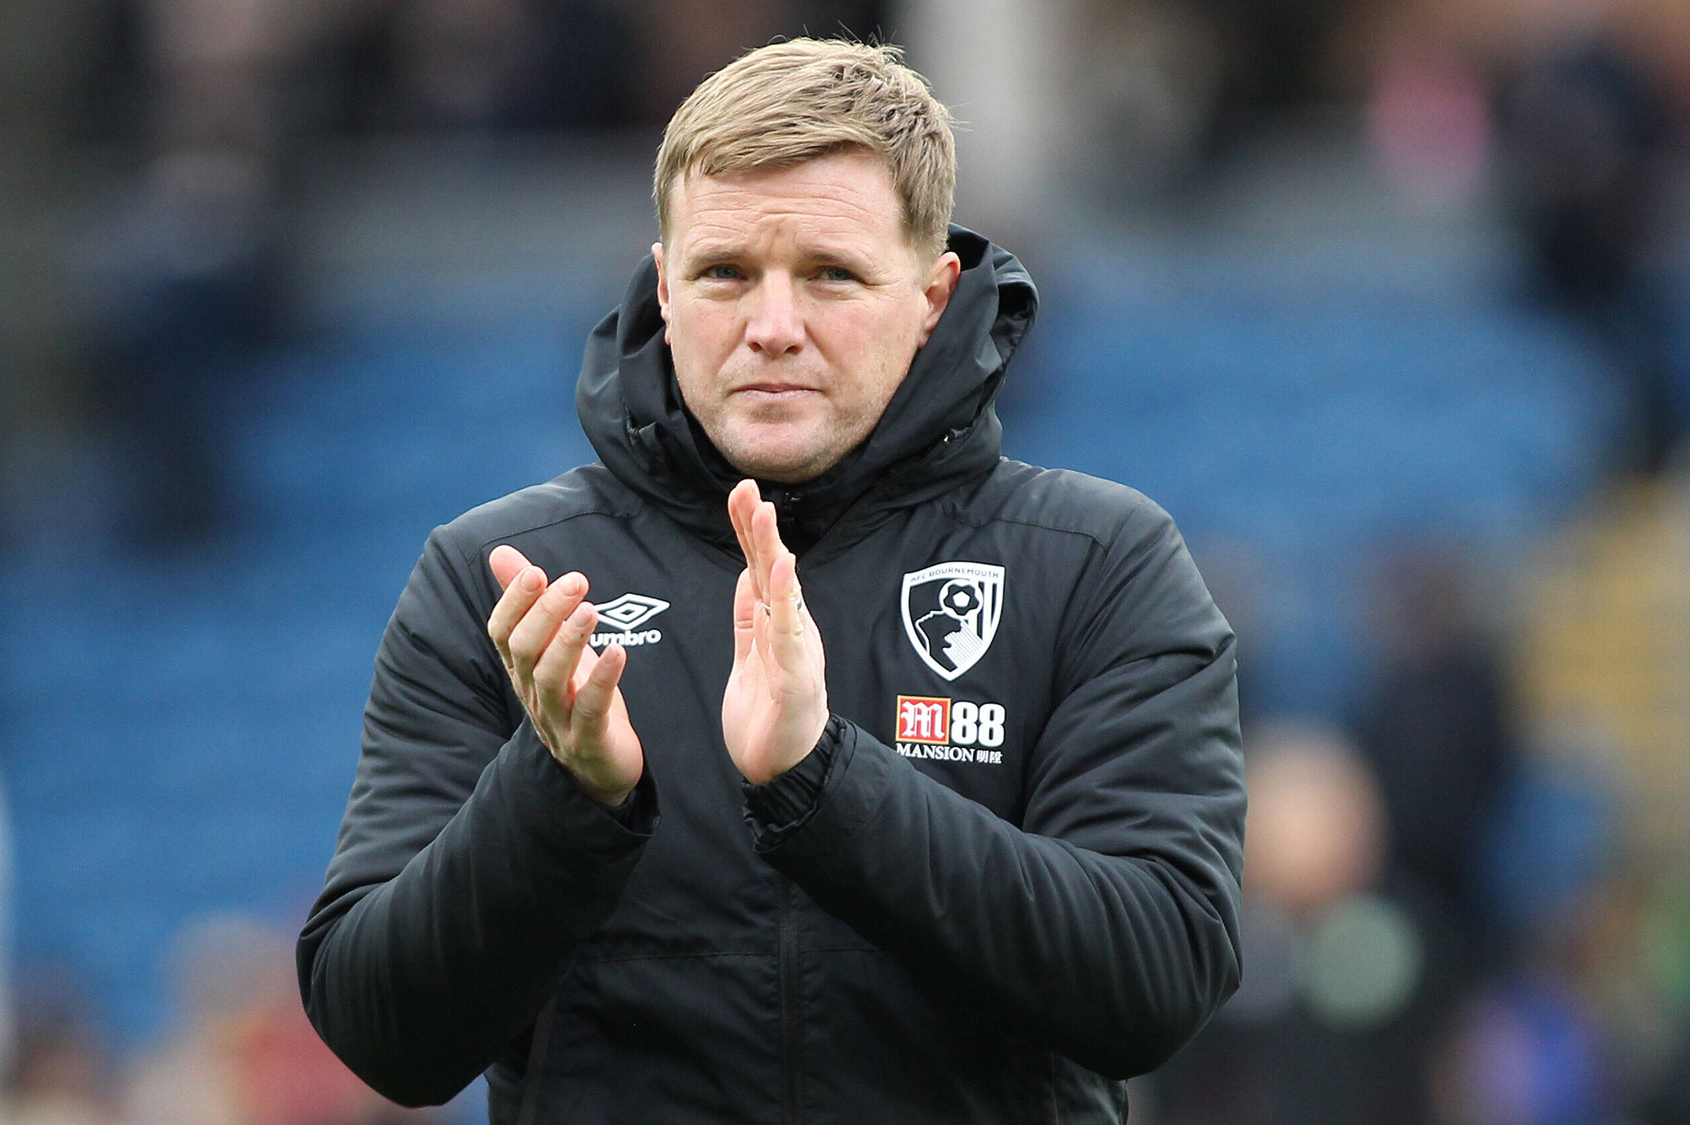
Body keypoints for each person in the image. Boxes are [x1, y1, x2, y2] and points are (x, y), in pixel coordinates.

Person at [298, 38, 1245, 1122]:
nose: (773, 329)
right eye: (725, 274)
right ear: (664, 285)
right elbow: (385, 1036)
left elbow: (1157, 979)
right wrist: (562, 795)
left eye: (832, 274)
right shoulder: (508, 582)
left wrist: (823, 781)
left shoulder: (1094, 563)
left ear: (932, 295)